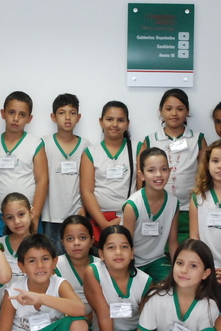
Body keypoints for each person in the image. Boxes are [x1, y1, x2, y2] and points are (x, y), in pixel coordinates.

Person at [83, 226, 152, 331]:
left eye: (124, 247)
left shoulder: (145, 281)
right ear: (101, 254)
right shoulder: (94, 272)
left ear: (132, 252)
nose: (118, 252)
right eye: (111, 247)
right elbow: (104, 315)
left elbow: (147, 327)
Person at [139, 89, 207, 243]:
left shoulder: (197, 139)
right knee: (160, 246)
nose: (174, 113)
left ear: (187, 111)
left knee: (188, 247)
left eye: (180, 109)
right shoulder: (150, 140)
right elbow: (141, 179)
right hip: (158, 208)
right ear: (161, 111)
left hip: (189, 209)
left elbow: (205, 175)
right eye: (169, 109)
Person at [0, 91, 48, 237]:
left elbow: (42, 181)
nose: (15, 118)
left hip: (27, 214)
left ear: (29, 118)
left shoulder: (35, 144)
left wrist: (35, 216)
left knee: (30, 249)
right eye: (11, 112)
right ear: (3, 113)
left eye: (22, 114)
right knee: (1, 249)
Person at [190, 138, 221, 306]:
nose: (220, 166)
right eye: (215, 161)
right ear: (207, 164)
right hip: (205, 270)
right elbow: (194, 238)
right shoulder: (198, 197)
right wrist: (205, 269)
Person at [80, 101, 135, 243]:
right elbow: (87, 192)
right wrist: (104, 224)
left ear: (127, 124)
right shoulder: (91, 152)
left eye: (120, 120)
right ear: (101, 122)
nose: (115, 124)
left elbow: (143, 190)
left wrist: (123, 219)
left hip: (130, 218)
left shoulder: (138, 149)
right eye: (109, 119)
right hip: (98, 220)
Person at [41, 94, 90, 253]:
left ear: (78, 117)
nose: (67, 117)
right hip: (50, 215)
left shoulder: (85, 146)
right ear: (53, 117)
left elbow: (88, 182)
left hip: (76, 213)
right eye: (62, 113)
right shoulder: (44, 143)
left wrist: (85, 207)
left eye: (72, 113)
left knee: (76, 256)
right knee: (52, 257)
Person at [122, 147, 179, 282]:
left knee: (171, 285)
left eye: (163, 169)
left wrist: (179, 268)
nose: (158, 175)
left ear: (169, 171)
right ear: (141, 175)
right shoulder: (133, 205)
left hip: (157, 261)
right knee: (140, 288)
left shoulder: (173, 203)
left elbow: (172, 242)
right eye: (151, 170)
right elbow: (125, 244)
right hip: (133, 261)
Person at [54, 215, 100, 331]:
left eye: (82, 237)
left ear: (92, 241)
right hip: (68, 322)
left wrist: (91, 319)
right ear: (62, 242)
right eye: (70, 239)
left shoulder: (102, 265)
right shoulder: (56, 265)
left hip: (97, 321)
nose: (76, 243)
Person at [0, 192, 35, 287]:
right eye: (10, 217)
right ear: (4, 220)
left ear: (31, 213)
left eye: (21, 214)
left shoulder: (41, 245)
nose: (16, 221)